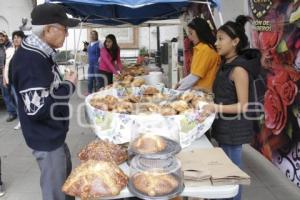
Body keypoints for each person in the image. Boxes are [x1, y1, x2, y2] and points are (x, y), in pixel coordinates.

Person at [11, 3, 79, 200]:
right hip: (45, 139)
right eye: (65, 29)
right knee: (56, 193)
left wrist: (61, 82)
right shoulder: (30, 60)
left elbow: (44, 90)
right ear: (48, 29)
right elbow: (37, 109)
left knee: (65, 186)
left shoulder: (39, 52)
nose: (66, 35)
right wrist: (69, 86)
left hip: (52, 134)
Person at [202, 15, 261, 200]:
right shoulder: (226, 64)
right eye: (216, 38)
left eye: (221, 39)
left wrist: (214, 108)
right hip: (224, 127)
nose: (216, 43)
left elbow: (243, 106)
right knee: (226, 172)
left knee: (232, 177)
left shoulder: (239, 69)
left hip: (234, 129)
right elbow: (225, 94)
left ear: (235, 41)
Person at [176, 17, 220, 91]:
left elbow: (194, 77)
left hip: (204, 93)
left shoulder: (205, 49)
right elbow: (194, 74)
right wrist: (180, 83)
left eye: (191, 33)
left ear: (200, 32)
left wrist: (177, 92)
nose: (189, 37)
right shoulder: (200, 48)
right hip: (200, 91)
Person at [3, 30, 26, 130]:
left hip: (24, 82)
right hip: (12, 82)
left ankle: (28, 121)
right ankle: (21, 121)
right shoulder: (9, 50)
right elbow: (5, 66)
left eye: (18, 37)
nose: (16, 39)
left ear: (23, 39)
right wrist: (5, 79)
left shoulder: (26, 51)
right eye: (14, 37)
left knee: (25, 102)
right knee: (18, 102)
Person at [0, 30, 18, 122]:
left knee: (16, 94)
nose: (1, 38)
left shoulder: (12, 46)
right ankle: (12, 113)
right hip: (2, 76)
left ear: (6, 37)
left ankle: (23, 114)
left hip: (11, 74)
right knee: (6, 95)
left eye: (2, 36)